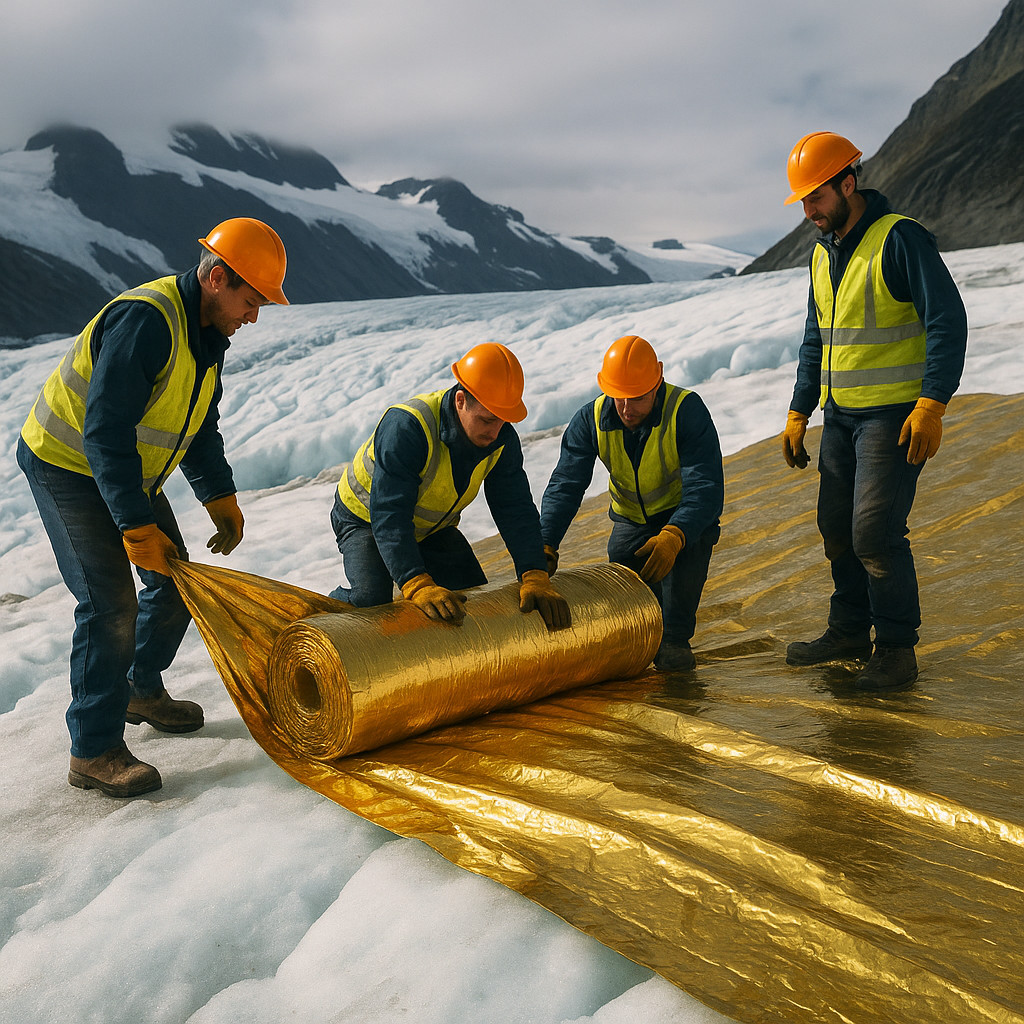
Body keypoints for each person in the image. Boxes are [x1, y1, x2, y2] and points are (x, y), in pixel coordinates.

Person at [18, 217, 289, 797]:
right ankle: (93, 751)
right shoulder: (147, 320)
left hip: (123, 468)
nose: (253, 316)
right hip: (67, 463)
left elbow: (198, 424)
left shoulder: (208, 334)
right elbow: (105, 431)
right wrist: (137, 525)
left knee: (172, 584)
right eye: (251, 300)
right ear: (217, 278)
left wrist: (219, 495)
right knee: (108, 603)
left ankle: (140, 689)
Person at [780, 131, 968, 692]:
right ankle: (848, 630)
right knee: (835, 528)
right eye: (803, 201)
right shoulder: (821, 253)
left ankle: (895, 650)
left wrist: (931, 404)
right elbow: (817, 337)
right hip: (840, 416)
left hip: (893, 417)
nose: (809, 211)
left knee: (874, 534)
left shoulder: (899, 239)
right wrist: (799, 411)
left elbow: (947, 322)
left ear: (848, 182)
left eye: (816, 197)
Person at [331, 342, 571, 632]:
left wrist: (533, 573)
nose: (495, 431)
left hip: (430, 529)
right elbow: (389, 512)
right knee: (372, 602)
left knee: (473, 600)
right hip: (365, 519)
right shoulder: (407, 427)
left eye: (503, 420)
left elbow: (515, 507)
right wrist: (416, 583)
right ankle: (325, 615)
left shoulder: (501, 437)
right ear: (460, 401)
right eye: (487, 419)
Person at [540, 335, 724, 671]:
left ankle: (675, 641)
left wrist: (675, 535)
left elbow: (706, 487)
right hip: (631, 523)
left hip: (682, 518)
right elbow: (566, 485)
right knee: (631, 603)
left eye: (637, 398)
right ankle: (643, 644)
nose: (626, 409)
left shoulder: (686, 410)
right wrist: (545, 544)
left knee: (675, 609)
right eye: (619, 397)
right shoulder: (589, 420)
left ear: (658, 382)